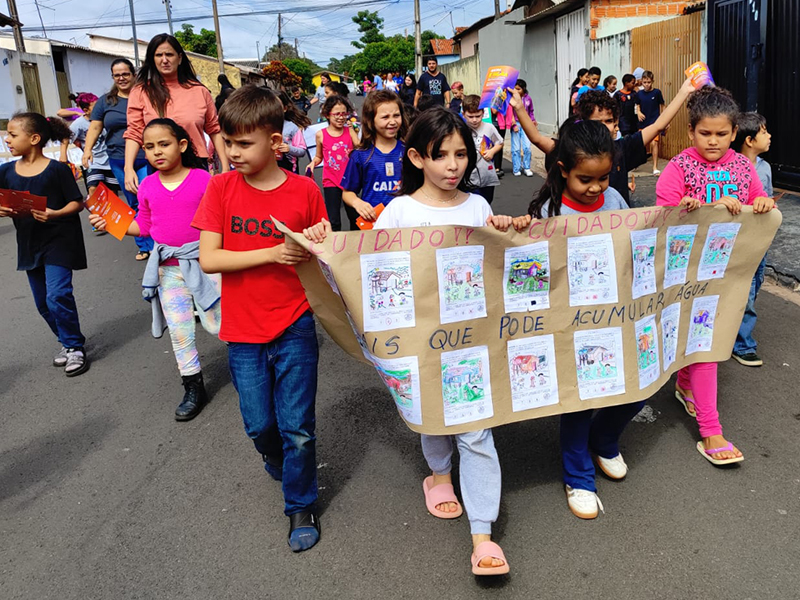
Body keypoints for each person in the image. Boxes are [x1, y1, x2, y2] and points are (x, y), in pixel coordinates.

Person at [303, 107, 514, 576]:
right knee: (431, 416)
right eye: (442, 156)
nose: (454, 165)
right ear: (418, 157)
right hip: (417, 341)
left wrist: (506, 233)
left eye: (462, 154)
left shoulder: (479, 207)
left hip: (470, 340)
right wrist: (324, 242)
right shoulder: (398, 211)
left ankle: (483, 534)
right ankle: (439, 474)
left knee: (476, 430)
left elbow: (498, 265)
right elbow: (361, 269)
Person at [193, 85, 327, 552]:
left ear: (276, 142)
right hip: (243, 331)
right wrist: (272, 252)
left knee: (298, 427)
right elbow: (210, 259)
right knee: (259, 426)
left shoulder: (306, 190)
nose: (232, 151)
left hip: (294, 324)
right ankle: (280, 459)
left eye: (243, 143)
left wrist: (318, 239)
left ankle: (300, 504)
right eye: (227, 142)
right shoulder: (221, 187)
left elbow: (319, 255)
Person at [512, 120, 639, 519]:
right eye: (586, 179)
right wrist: (518, 231)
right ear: (563, 169)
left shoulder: (616, 201)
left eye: (604, 177)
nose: (597, 187)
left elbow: (636, 244)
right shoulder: (548, 210)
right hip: (569, 323)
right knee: (579, 401)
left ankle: (605, 439)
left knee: (639, 385)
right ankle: (578, 476)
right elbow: (527, 270)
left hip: (615, 315)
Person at [656, 86, 775, 465]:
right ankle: (711, 430)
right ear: (691, 131)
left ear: (734, 132)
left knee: (706, 340)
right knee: (703, 345)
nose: (713, 141)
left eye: (722, 134)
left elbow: (763, 202)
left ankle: (685, 385)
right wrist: (689, 208)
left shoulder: (743, 167)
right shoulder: (678, 168)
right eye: (705, 133)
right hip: (686, 274)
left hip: (728, 272)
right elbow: (660, 221)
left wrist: (761, 202)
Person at [89, 119, 221, 421]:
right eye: (149, 147)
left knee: (218, 324)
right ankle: (192, 386)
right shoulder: (147, 185)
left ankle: (248, 366)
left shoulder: (203, 179)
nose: (156, 151)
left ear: (182, 145)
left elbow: (219, 221)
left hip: (206, 266)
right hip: (167, 271)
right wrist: (110, 223)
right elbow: (145, 226)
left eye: (164, 144)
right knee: (180, 331)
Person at [0, 113, 89, 377]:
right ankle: (65, 339)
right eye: (7, 134)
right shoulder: (5, 172)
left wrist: (55, 213)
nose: (7, 139)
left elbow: (77, 202)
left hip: (60, 239)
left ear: (35, 139)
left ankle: (74, 347)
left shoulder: (57, 169)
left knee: (58, 294)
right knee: (42, 302)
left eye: (13, 134)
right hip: (29, 243)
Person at [123, 33, 229, 196]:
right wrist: (128, 168)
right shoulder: (141, 92)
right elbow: (135, 132)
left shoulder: (199, 91)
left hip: (196, 165)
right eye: (159, 55)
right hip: (160, 166)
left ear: (179, 58)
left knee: (201, 216)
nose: (164, 60)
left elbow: (214, 130)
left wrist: (225, 165)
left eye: (169, 54)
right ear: (152, 60)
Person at [83, 58, 155, 260]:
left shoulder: (145, 96)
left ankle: (157, 242)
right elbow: (95, 127)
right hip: (117, 159)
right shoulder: (106, 101)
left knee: (147, 199)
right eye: (117, 75)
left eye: (125, 74)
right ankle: (143, 245)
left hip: (146, 157)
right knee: (132, 201)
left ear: (133, 74)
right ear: (113, 77)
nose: (122, 78)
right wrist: (87, 150)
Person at [730, 112, 773, 367]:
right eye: (764, 132)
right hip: (736, 241)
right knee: (741, 292)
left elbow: (767, 197)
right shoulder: (731, 167)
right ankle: (742, 344)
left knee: (754, 285)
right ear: (748, 139)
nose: (769, 136)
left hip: (760, 239)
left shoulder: (765, 167)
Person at [340, 90, 406, 229]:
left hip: (405, 225)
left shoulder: (410, 152)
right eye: (385, 117)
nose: (392, 121)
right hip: (373, 226)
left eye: (396, 115)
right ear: (371, 120)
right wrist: (358, 203)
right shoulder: (360, 155)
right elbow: (347, 193)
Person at [305, 95, 359, 231]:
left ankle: (355, 247)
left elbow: (359, 147)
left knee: (355, 218)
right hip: (331, 181)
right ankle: (336, 248)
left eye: (344, 114)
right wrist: (313, 164)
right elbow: (318, 157)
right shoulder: (320, 134)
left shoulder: (349, 131)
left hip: (349, 181)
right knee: (333, 221)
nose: (341, 117)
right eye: (336, 114)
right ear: (327, 115)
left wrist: (352, 129)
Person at [69, 92, 119, 200]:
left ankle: (113, 214)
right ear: (86, 110)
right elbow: (66, 139)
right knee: (93, 187)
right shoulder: (78, 124)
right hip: (93, 162)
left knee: (112, 190)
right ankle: (96, 213)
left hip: (109, 160)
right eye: (96, 107)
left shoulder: (106, 119)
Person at [462, 95, 502, 204]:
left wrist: (492, 151)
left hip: (487, 175)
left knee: (486, 203)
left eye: (478, 116)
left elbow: (500, 142)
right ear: (464, 114)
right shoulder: (461, 129)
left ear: (483, 114)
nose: (474, 120)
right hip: (468, 176)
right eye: (470, 116)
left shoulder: (489, 127)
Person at [634, 70, 665, 174]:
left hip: (654, 121)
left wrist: (664, 119)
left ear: (652, 82)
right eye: (644, 82)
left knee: (654, 143)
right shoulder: (639, 94)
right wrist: (638, 112)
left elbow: (662, 105)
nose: (647, 85)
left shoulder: (657, 93)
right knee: (640, 143)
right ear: (641, 82)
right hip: (643, 122)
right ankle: (635, 163)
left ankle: (655, 166)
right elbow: (637, 105)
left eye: (649, 82)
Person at [276, 91, 309, 174]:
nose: (273, 109)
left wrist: (289, 149)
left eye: (277, 106)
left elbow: (302, 151)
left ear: (285, 108)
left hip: (290, 170)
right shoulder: (262, 127)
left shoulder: (292, 127)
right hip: (270, 171)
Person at [511, 79, 534, 177]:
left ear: (523, 89)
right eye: (515, 89)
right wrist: (513, 124)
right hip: (516, 124)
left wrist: (532, 120)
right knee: (516, 148)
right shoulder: (512, 99)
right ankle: (516, 168)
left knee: (527, 147)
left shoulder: (528, 99)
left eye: (518, 89)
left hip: (526, 124)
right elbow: (509, 113)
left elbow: (531, 111)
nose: (516, 91)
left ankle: (527, 167)